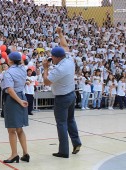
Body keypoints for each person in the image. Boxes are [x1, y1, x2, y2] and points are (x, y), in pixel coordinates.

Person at [42, 27, 82, 158]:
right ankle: (76, 142)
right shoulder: (68, 59)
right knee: (70, 120)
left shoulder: (59, 69)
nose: (51, 58)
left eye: (52, 56)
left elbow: (47, 82)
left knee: (61, 123)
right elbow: (65, 45)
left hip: (62, 98)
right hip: (71, 95)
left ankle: (64, 151)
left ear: (57, 57)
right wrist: (60, 34)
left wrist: (45, 68)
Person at [1, 52, 30, 163]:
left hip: (14, 99)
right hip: (22, 95)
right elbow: (21, 62)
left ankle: (14, 155)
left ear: (10, 61)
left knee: (11, 129)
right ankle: (25, 153)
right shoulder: (23, 69)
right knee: (20, 129)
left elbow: (10, 90)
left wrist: (20, 101)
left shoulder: (8, 73)